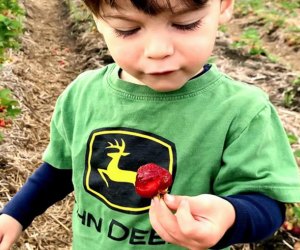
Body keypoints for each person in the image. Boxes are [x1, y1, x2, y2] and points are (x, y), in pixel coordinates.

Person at [1, 0, 300, 249]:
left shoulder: (242, 111)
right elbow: (59, 170)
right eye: (127, 29)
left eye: (186, 24)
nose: (158, 50)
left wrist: (231, 216)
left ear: (223, 5)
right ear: (96, 19)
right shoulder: (82, 95)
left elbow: (266, 205)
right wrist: (15, 214)